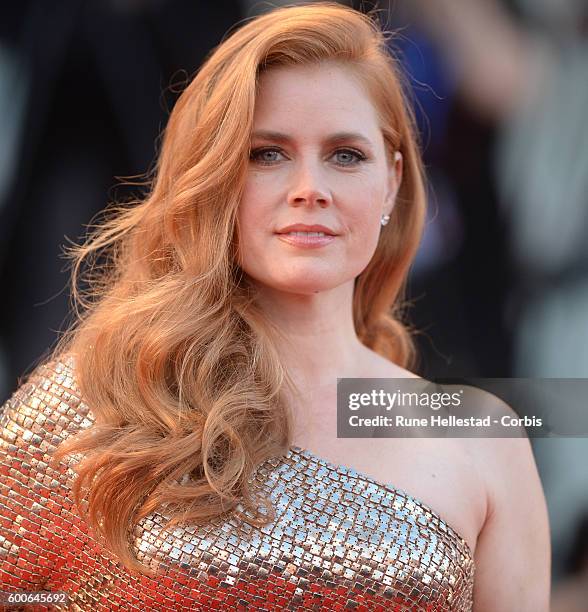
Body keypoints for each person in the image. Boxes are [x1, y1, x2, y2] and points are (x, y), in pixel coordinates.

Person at [0, 2, 549, 610]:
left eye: (345, 155)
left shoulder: (481, 436)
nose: (309, 187)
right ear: (213, 179)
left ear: (391, 181)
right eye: (267, 154)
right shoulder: (92, 406)